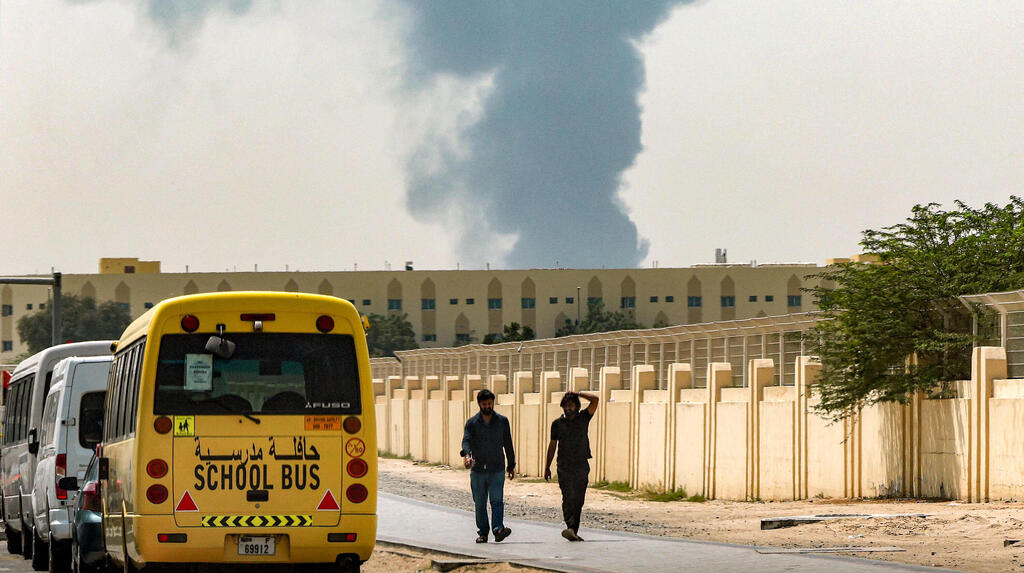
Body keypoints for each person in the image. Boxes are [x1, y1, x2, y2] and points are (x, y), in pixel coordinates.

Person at [460, 389, 515, 543]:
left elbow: (508, 444)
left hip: (497, 468)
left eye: (489, 403)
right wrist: (467, 455)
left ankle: (498, 529)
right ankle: (483, 533)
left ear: (493, 403)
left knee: (497, 500)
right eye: (484, 404)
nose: (487, 406)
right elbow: (466, 441)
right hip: (478, 470)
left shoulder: (502, 421)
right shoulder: (472, 423)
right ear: (479, 404)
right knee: (480, 503)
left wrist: (511, 465)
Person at [544, 390, 599, 541]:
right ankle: (570, 527)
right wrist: (547, 466)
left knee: (579, 499)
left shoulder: (583, 418)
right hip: (564, 465)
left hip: (581, 464)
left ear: (577, 406)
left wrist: (578, 393)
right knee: (568, 496)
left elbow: (595, 400)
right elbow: (552, 445)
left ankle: (573, 529)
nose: (568, 409)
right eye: (565, 406)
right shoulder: (557, 424)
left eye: (571, 405)